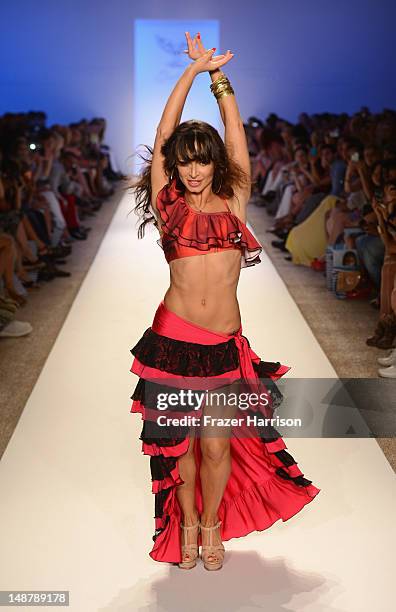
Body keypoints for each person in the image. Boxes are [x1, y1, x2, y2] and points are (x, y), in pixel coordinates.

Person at [129, 32, 320, 572]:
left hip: (221, 347)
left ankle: (210, 523)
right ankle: (187, 524)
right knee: (181, 449)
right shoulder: (168, 207)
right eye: (184, 162)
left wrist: (219, 81)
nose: (192, 171)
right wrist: (188, 73)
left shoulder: (234, 204)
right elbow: (165, 132)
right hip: (172, 343)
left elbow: (236, 135)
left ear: (214, 165)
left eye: (201, 162)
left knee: (217, 447)